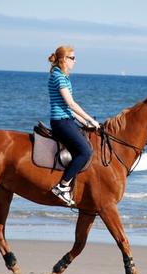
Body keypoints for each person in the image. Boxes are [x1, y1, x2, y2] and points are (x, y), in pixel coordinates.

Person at [47, 45, 99, 206]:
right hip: (61, 122)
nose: (75, 61)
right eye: (73, 58)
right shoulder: (59, 77)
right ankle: (62, 186)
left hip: (67, 119)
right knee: (85, 151)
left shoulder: (63, 76)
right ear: (64, 59)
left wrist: (87, 123)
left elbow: (68, 108)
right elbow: (70, 103)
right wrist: (91, 119)